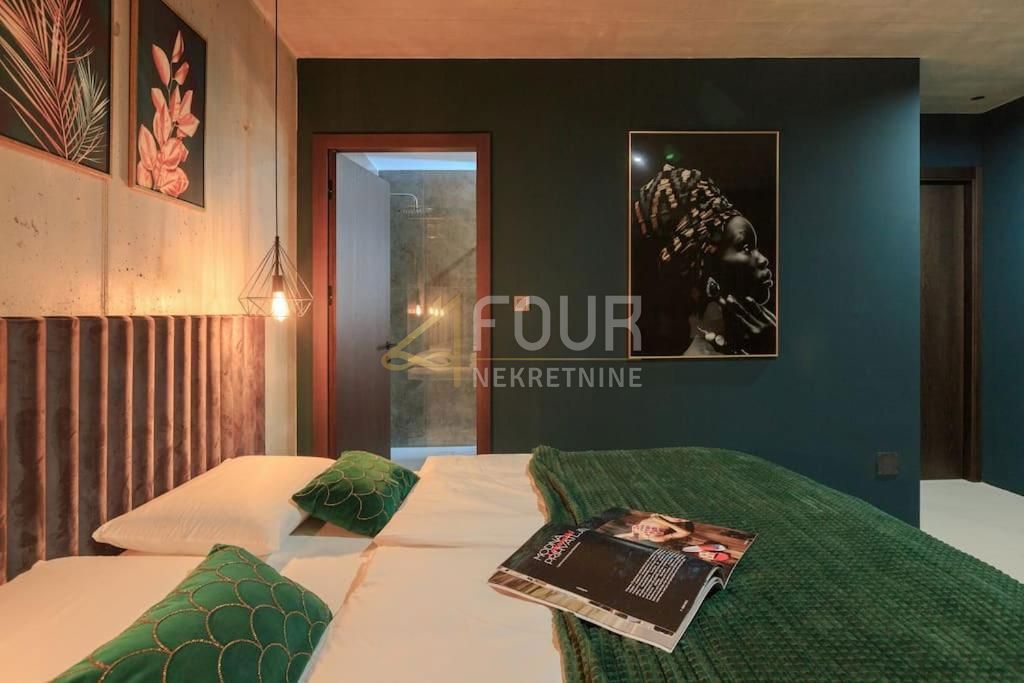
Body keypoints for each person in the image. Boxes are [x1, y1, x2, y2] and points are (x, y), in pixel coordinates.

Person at [634, 165, 777, 356]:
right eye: (744, 247)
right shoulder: (702, 360)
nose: (763, 260)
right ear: (705, 270)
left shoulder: (751, 343)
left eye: (755, 247)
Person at [615, 513, 694, 543]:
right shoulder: (655, 537)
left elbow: (686, 533)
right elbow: (686, 532)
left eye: (680, 520)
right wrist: (661, 520)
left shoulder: (654, 537)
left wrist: (660, 520)